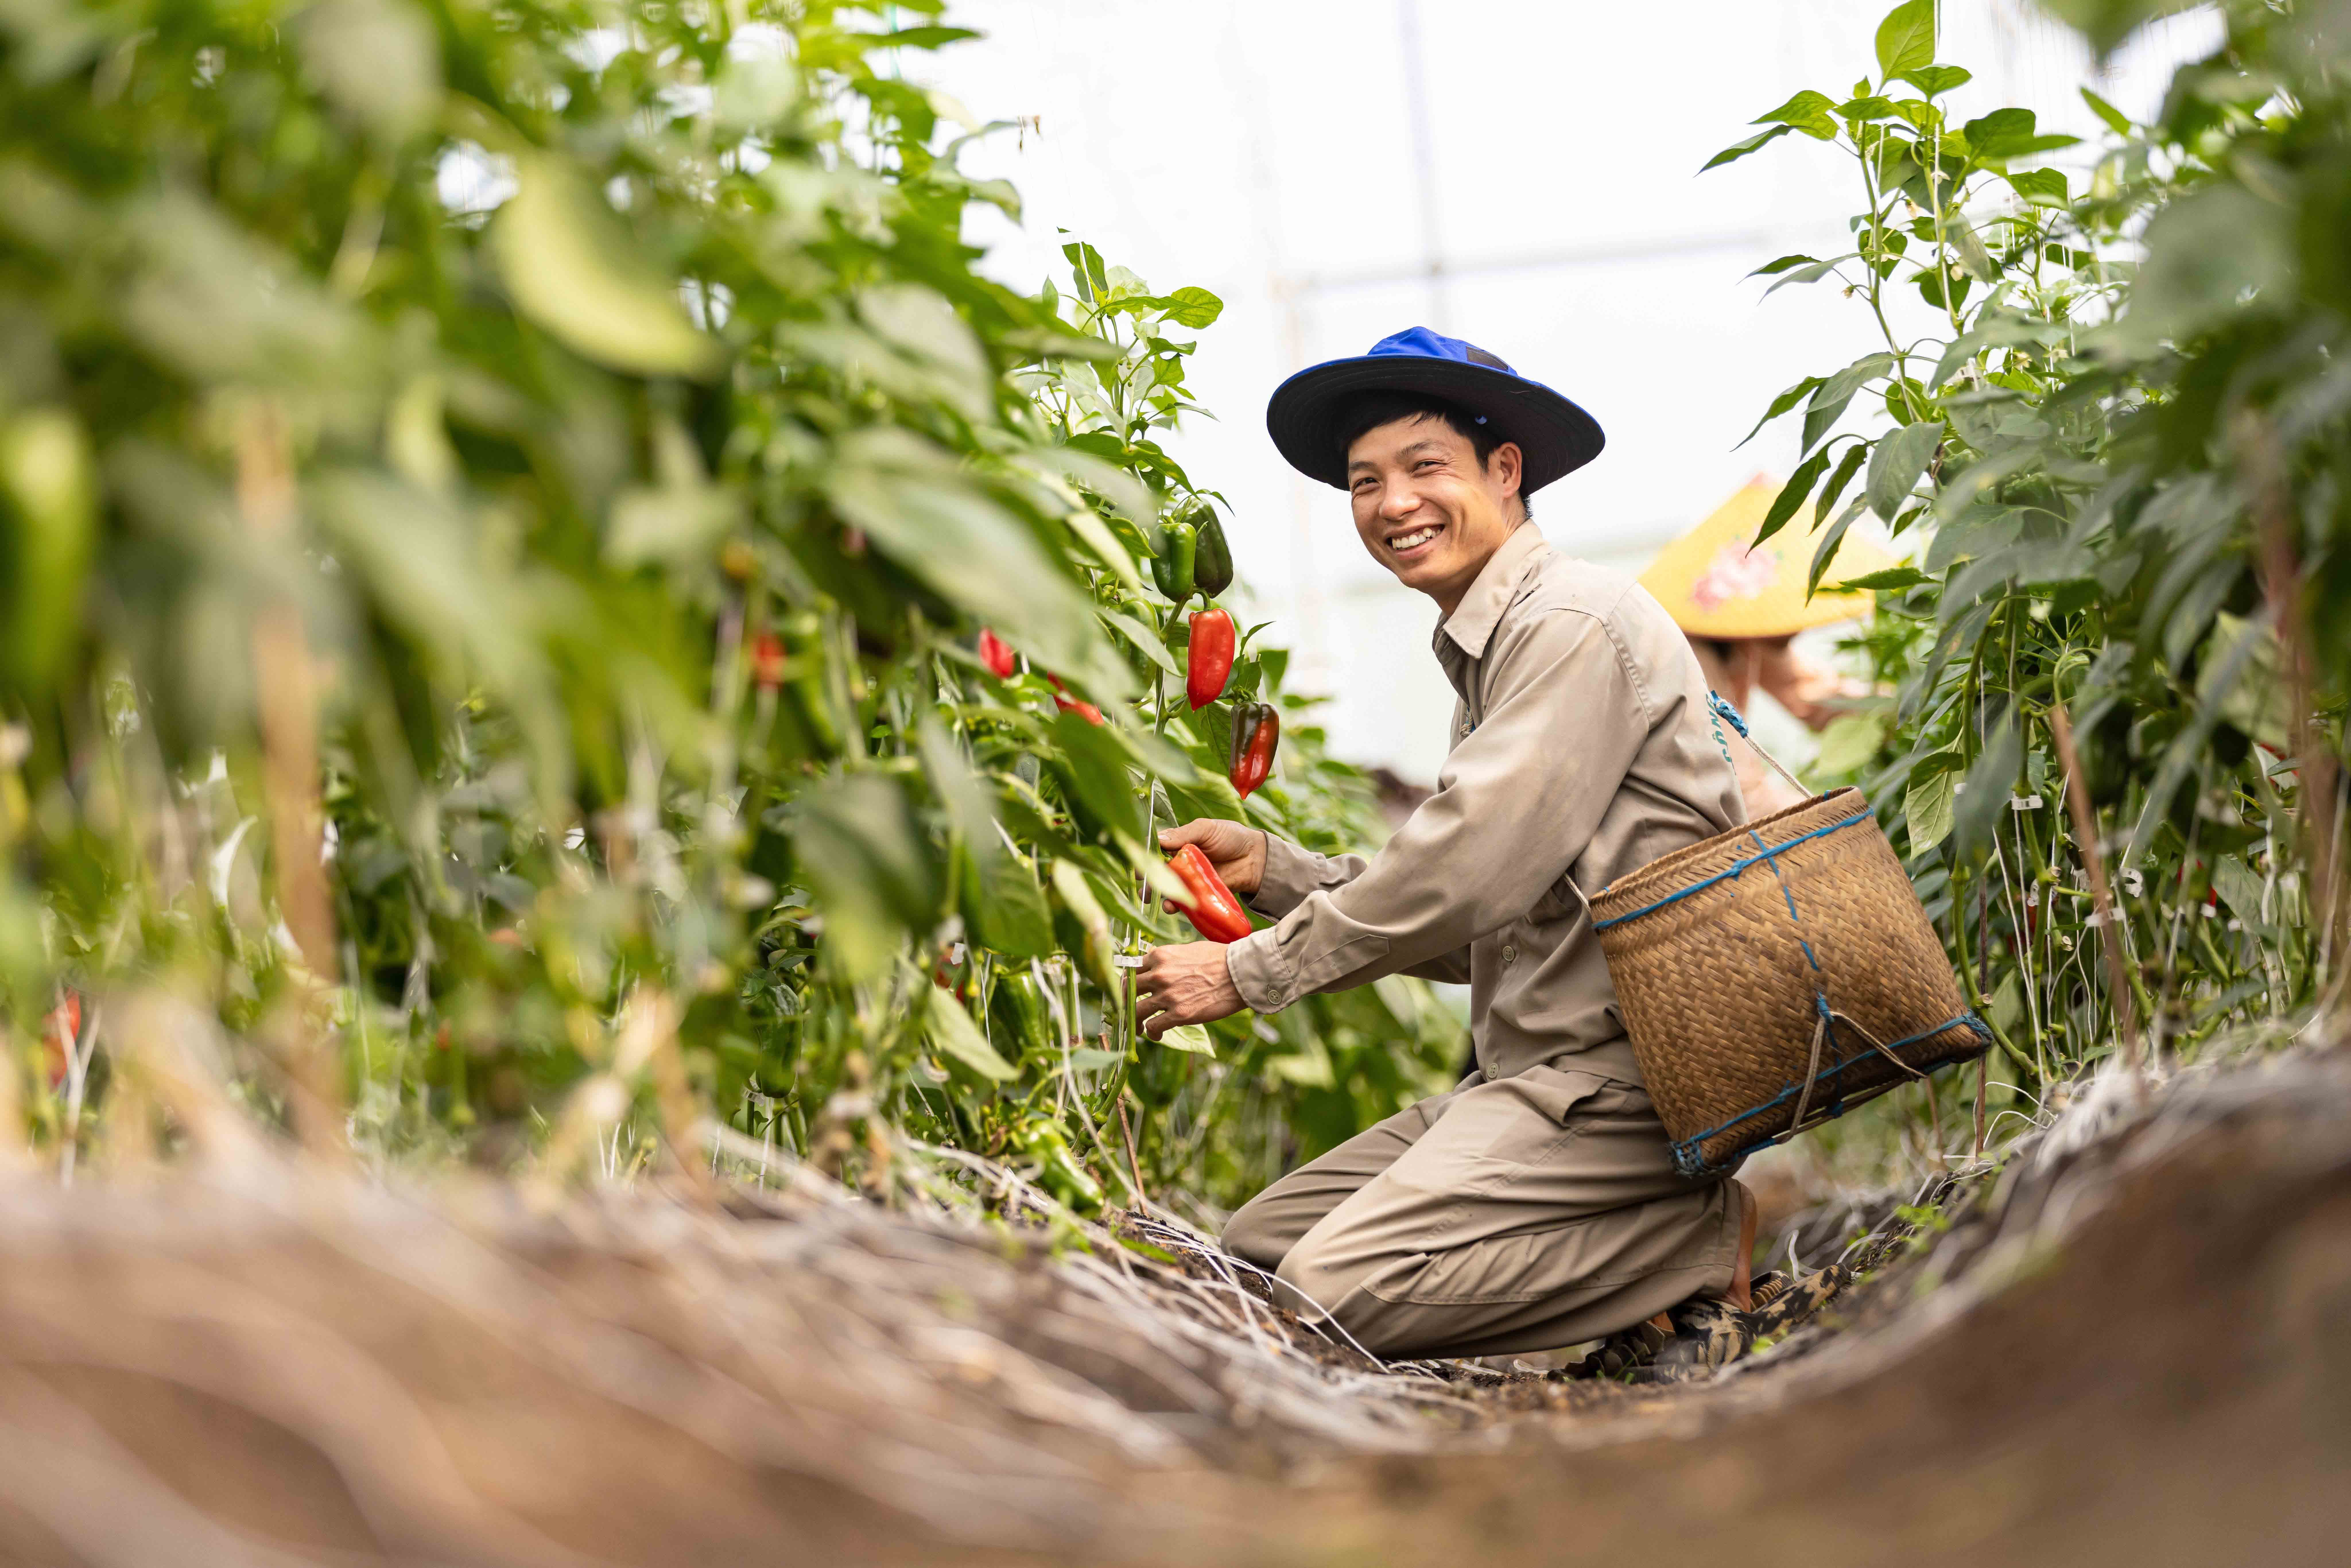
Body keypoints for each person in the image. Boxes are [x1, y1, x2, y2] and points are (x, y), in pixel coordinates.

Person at [1132, 327, 1764, 1368]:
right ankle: (1639, 1252)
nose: (1391, 503)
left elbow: (1467, 866)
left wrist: (1246, 970)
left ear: (1503, 471)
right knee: (1257, 1251)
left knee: (1331, 1290)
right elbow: (1489, 919)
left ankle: (1685, 1236)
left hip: (1625, 1078)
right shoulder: (1494, 648)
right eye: (1363, 480)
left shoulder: (1567, 623)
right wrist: (1276, 874)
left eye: (1425, 467)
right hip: (1537, 1080)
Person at [1637, 476, 1892, 816]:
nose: (1795, 625)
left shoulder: (1742, 631)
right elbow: (1740, 789)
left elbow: (1807, 693)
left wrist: (1910, 707)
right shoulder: (1687, 655)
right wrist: (1844, 819)